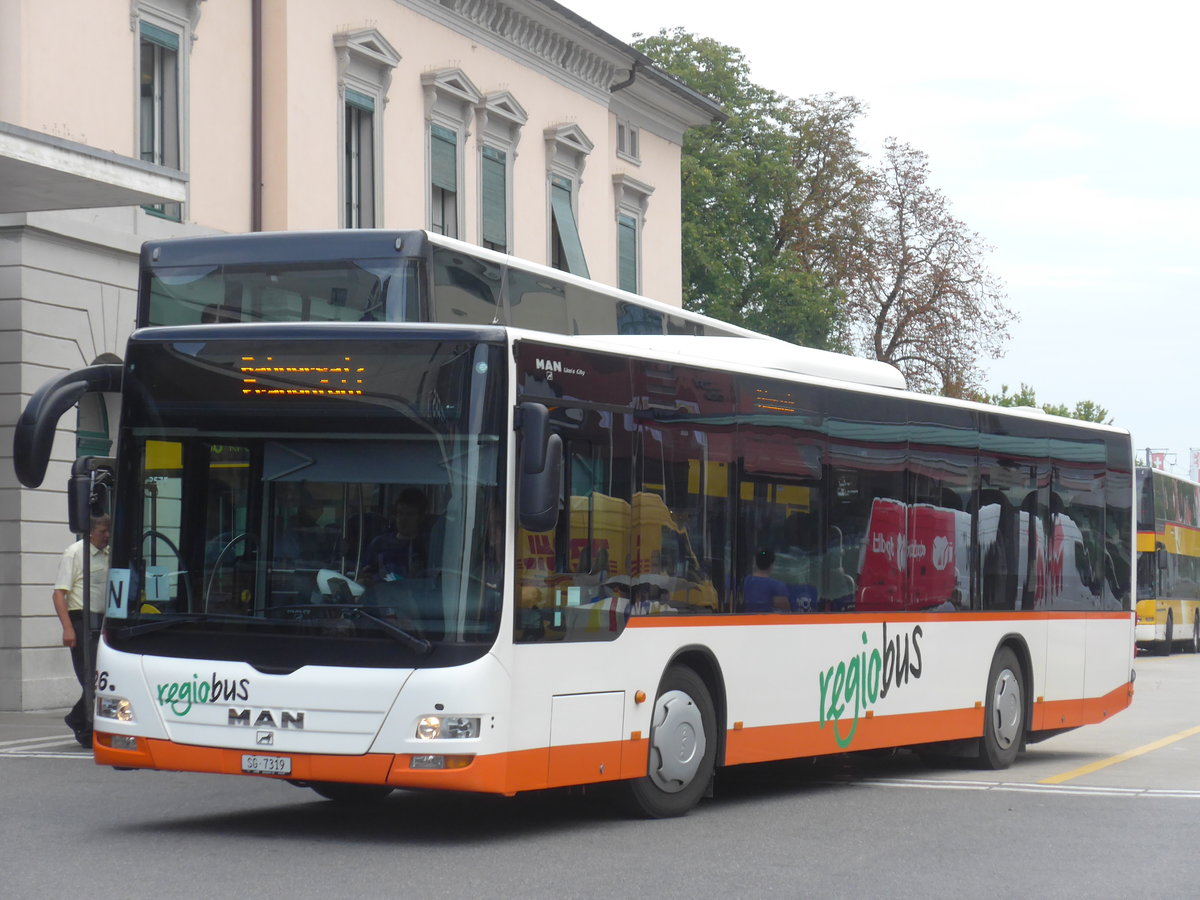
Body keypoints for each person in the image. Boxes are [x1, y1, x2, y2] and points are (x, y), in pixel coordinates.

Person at [52, 514, 111, 748]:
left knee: (102, 678)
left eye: (108, 531)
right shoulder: (75, 553)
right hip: (82, 621)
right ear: (90, 532)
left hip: (105, 622)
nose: (107, 536)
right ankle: (84, 724)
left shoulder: (109, 555)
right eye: (102, 532)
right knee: (92, 679)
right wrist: (68, 628)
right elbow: (59, 594)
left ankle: (80, 719)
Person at [361, 488, 430, 583]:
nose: (403, 519)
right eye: (400, 513)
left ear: (421, 517)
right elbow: (365, 576)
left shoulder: (428, 546)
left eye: (410, 514)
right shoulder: (379, 544)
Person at [742, 548, 790, 613]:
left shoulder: (745, 581)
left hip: (746, 621)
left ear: (755, 563)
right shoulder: (777, 586)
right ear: (771, 565)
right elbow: (785, 612)